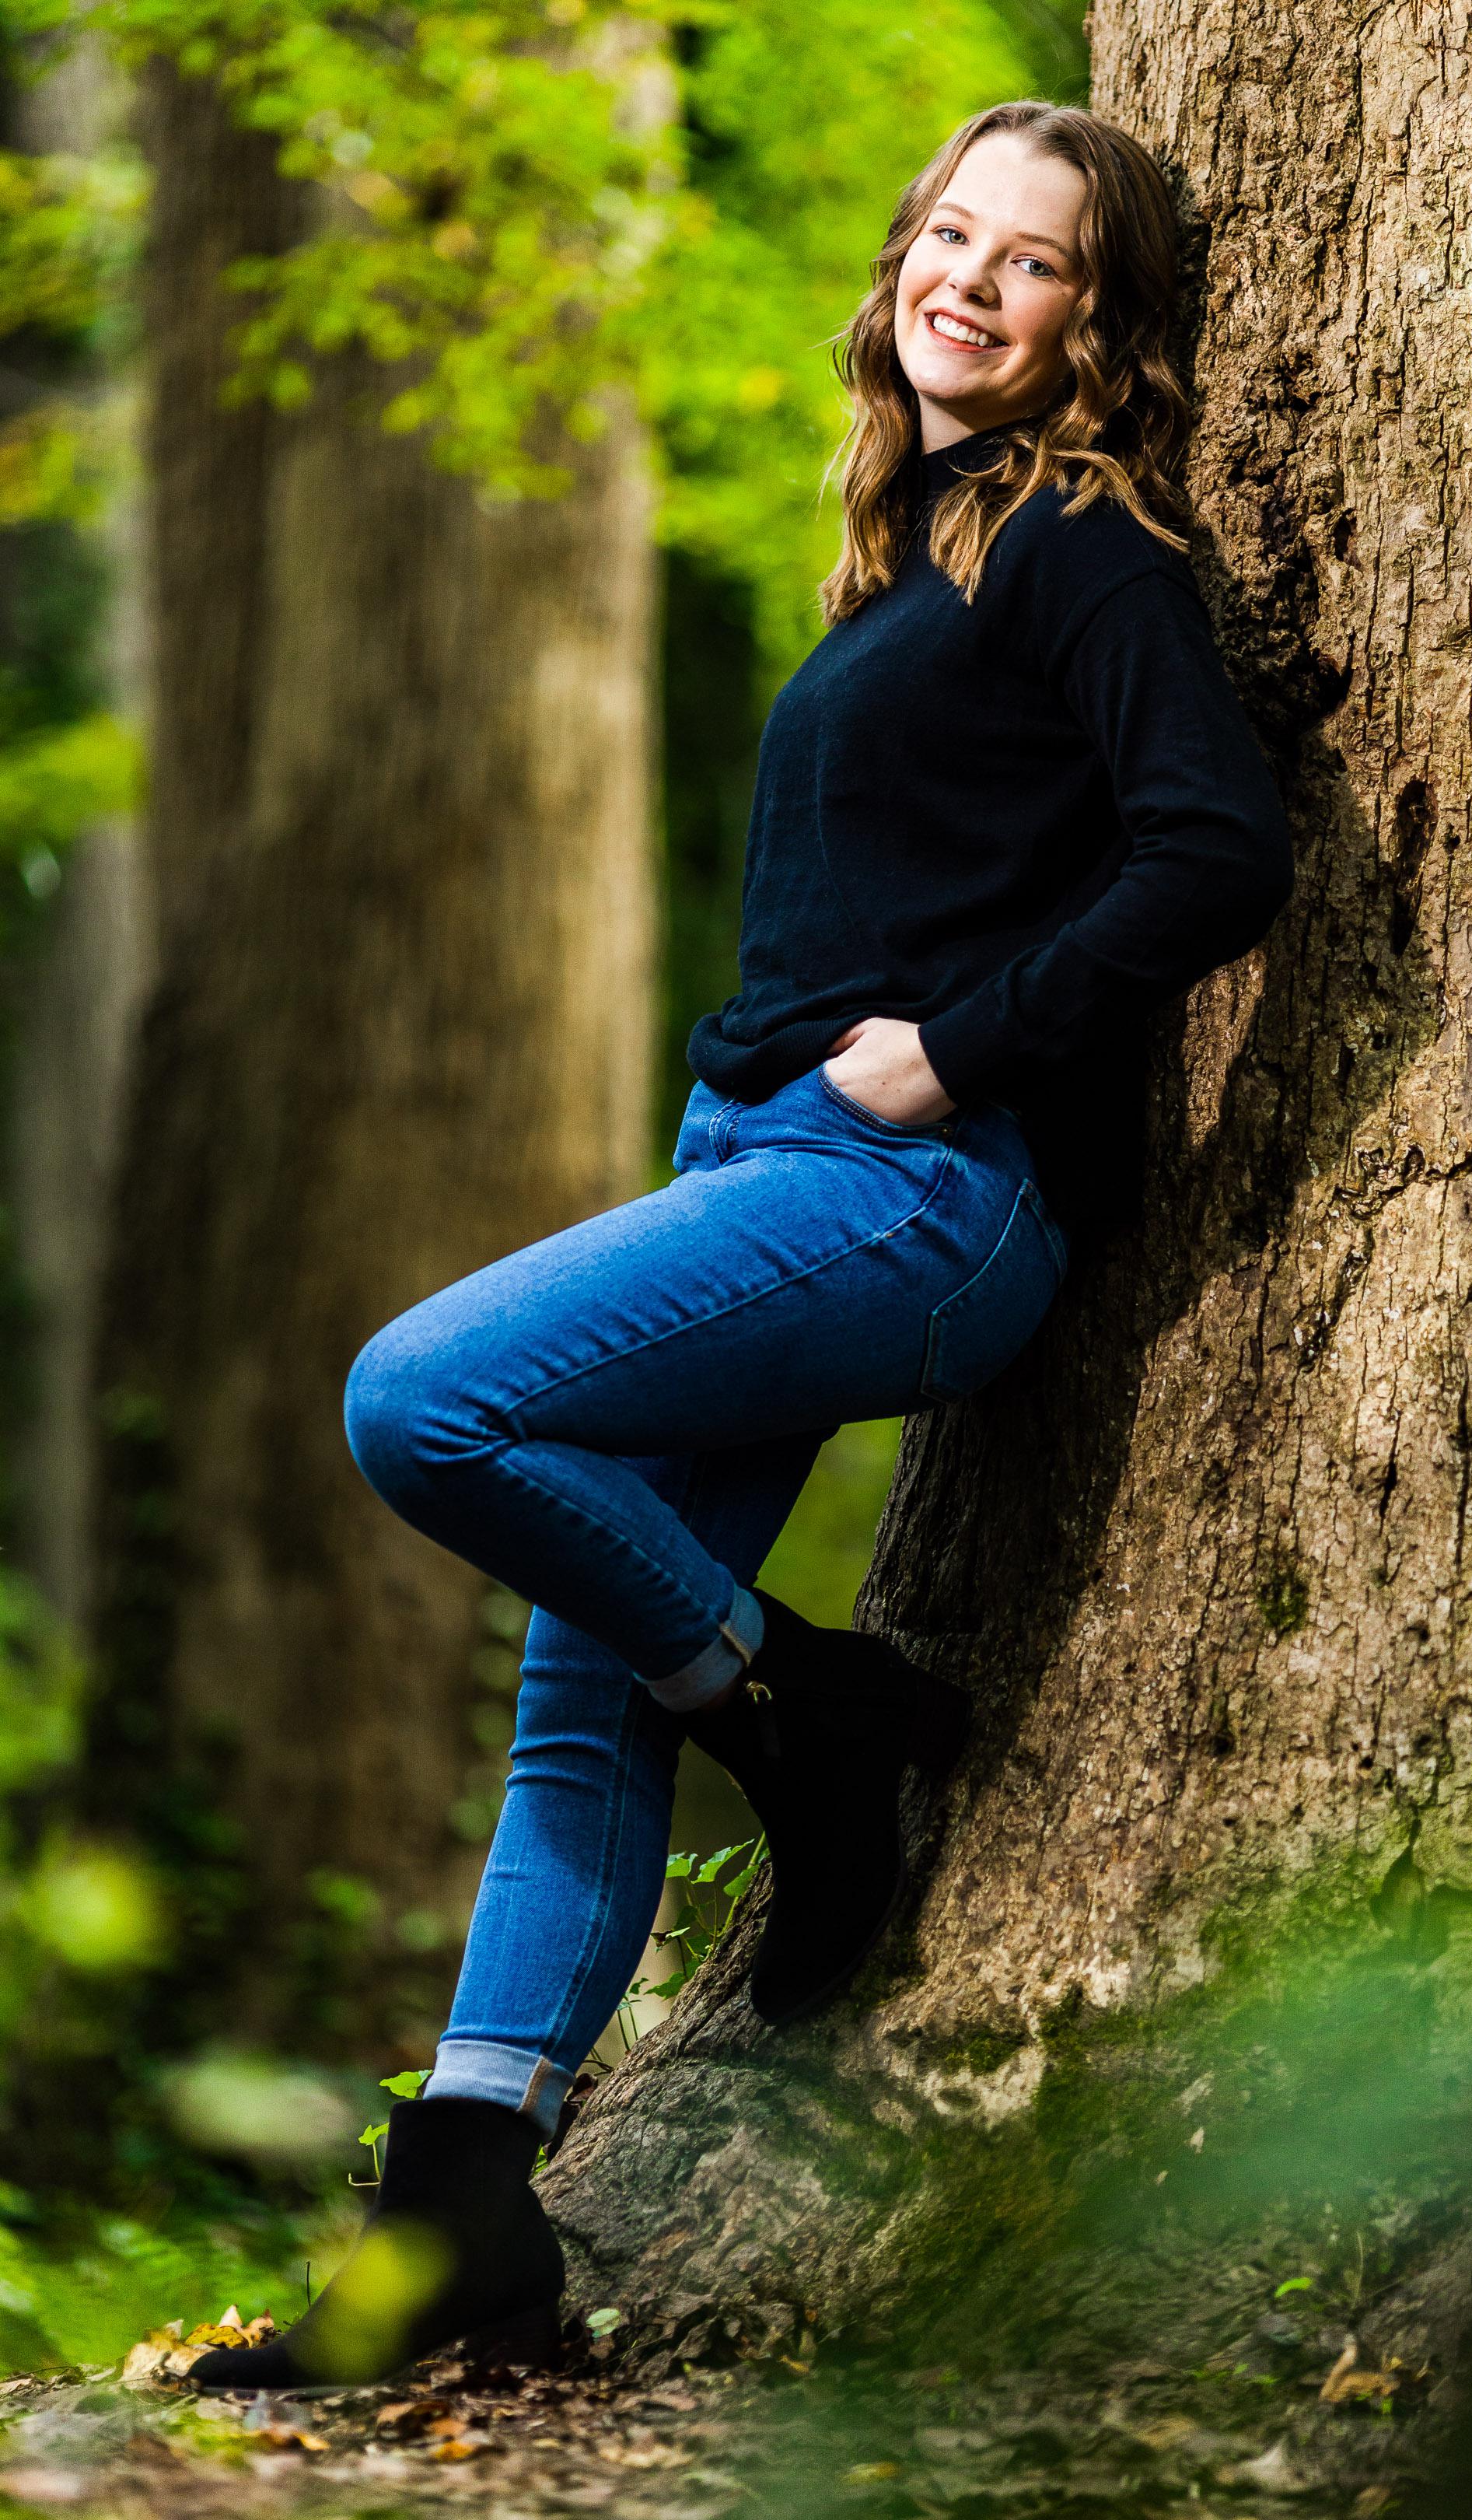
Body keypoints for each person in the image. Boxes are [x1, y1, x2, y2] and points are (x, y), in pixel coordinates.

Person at [191, 97, 1292, 2395]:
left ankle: (795, 1721)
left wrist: (958, 1046)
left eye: (1039, 260)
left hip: (913, 1190)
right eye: (952, 236)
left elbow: (1216, 849)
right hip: (760, 1166)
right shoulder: (914, 548)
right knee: (573, 1692)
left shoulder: (1085, 552)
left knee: (427, 1396)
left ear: (1105, 315)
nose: (971, 282)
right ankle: (458, 2235)